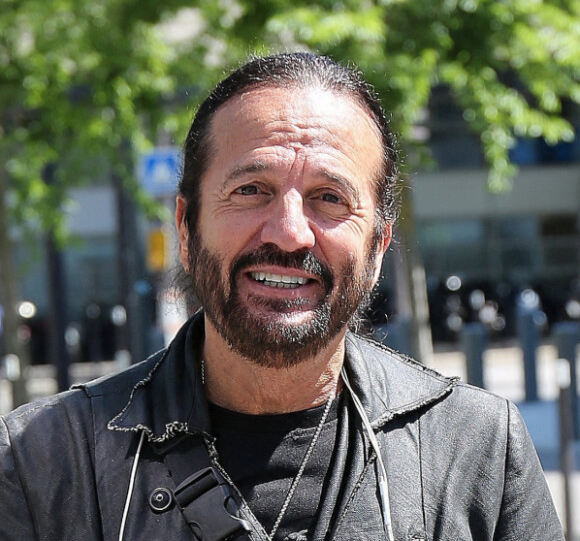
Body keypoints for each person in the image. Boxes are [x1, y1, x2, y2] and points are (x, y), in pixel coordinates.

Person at [0, 53, 564, 541]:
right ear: (186, 225)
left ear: (378, 245)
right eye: (251, 190)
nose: (289, 232)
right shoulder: (40, 460)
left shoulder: (477, 448)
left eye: (328, 197)